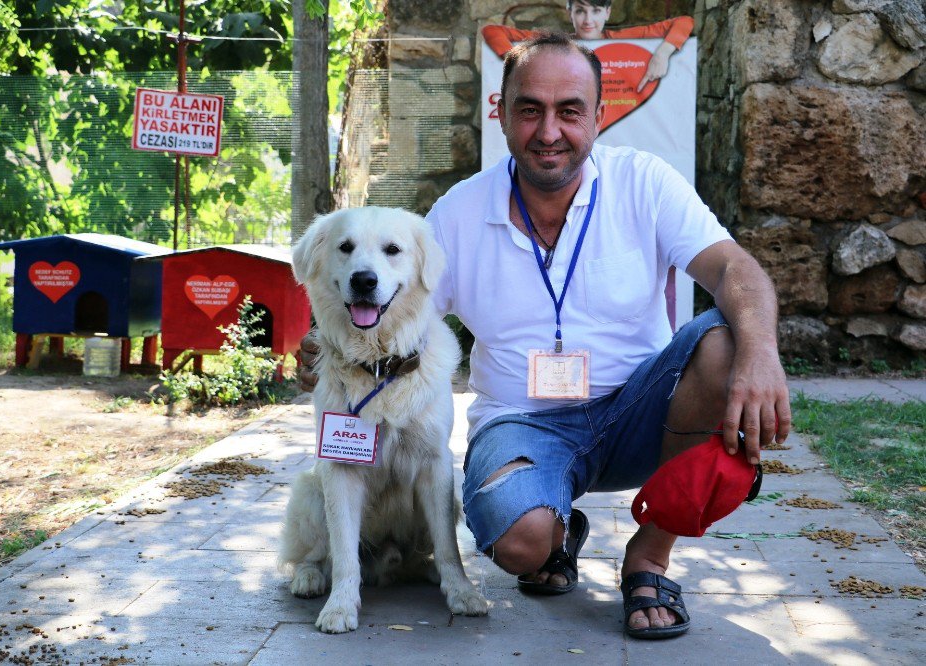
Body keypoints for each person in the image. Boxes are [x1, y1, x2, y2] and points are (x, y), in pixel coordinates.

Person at [298, 33, 791, 639]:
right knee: (517, 542)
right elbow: (396, 303)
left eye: (569, 110)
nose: (549, 130)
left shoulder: (646, 183)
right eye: (529, 108)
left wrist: (762, 354)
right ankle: (554, 533)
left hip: (641, 408)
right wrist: (332, 344)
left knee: (725, 342)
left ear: (599, 116)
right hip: (521, 421)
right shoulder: (455, 214)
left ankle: (649, 560)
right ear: (500, 113)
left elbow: (734, 269)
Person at [481, 0, 693, 92]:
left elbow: (684, 22)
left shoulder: (623, 37)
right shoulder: (555, 41)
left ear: (607, 12)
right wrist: (514, 59)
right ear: (569, 11)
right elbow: (492, 30)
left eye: (596, 11)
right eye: (581, 10)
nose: (588, 20)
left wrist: (663, 53)